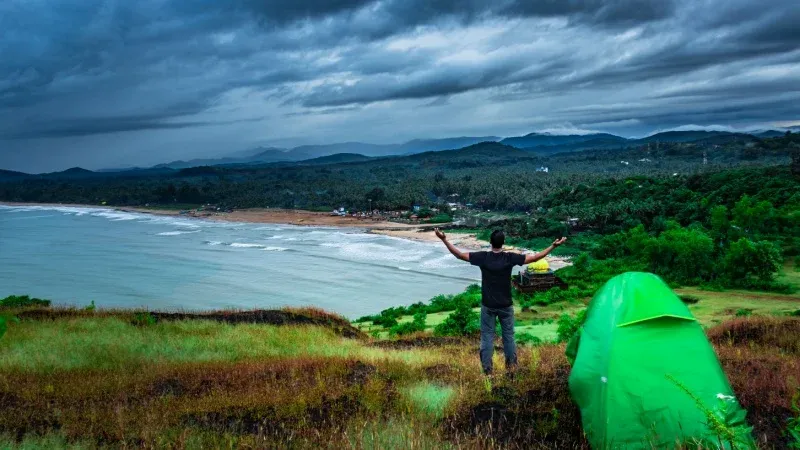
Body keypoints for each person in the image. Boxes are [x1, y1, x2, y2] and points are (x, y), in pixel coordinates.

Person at [434, 228, 566, 376]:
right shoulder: (509, 258)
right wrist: (554, 246)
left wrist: (443, 239)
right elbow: (535, 258)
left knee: (487, 338)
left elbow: (459, 255)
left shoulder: (483, 257)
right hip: (506, 305)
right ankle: (511, 370)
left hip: (488, 305)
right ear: (504, 243)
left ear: (490, 242)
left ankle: (488, 372)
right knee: (508, 337)